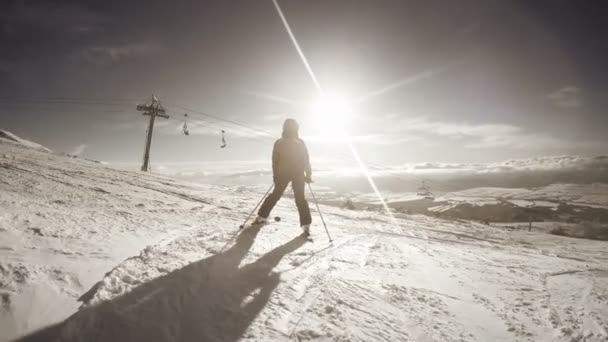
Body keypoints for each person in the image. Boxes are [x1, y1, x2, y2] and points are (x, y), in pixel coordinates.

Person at [254, 118, 312, 234]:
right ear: (296, 128)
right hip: (298, 174)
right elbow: (306, 159)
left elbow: (275, 161)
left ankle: (261, 218)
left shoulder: (279, 142)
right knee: (300, 198)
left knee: (275, 195)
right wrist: (308, 174)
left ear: (284, 128)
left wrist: (275, 176)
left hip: (283, 174)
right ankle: (306, 225)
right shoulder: (300, 142)